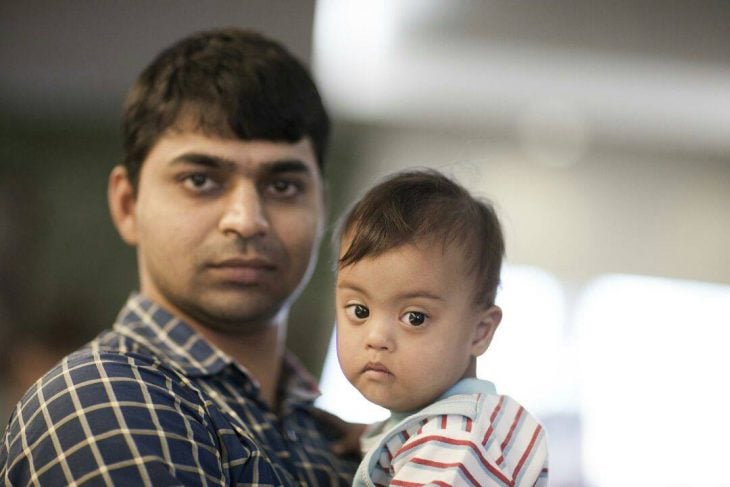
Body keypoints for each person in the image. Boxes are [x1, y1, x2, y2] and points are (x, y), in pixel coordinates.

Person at [0, 28, 359, 485]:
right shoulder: (104, 398)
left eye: (283, 185)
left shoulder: (337, 439)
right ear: (127, 205)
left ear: (322, 208)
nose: (247, 220)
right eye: (200, 180)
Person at [333, 169, 549, 486]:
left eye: (415, 317)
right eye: (360, 310)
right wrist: (374, 438)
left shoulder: (456, 443)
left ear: (480, 331)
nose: (376, 337)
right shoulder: (460, 428)